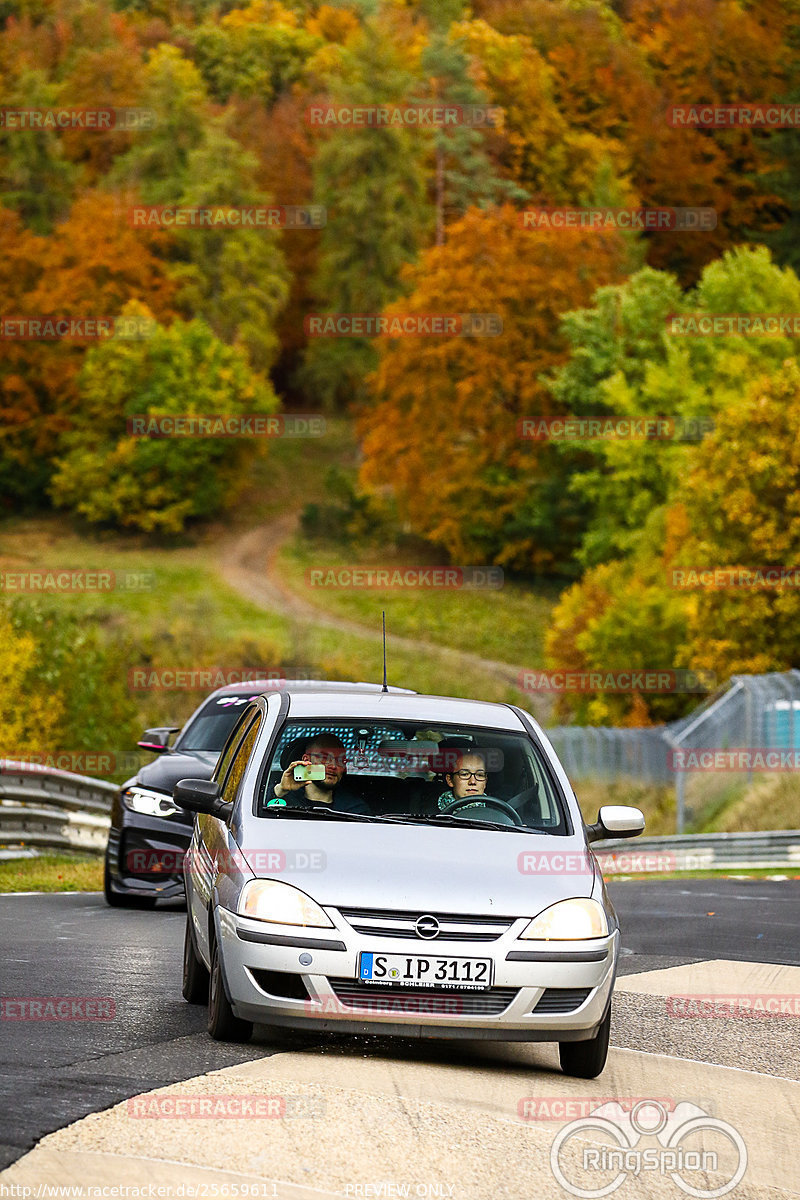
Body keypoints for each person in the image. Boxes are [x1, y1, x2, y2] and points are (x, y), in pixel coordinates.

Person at [271, 733, 370, 814]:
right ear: (306, 760)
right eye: (324, 758)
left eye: (340, 760)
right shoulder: (285, 798)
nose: (333, 765)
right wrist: (280, 790)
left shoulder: (356, 811)